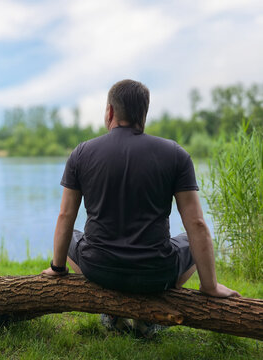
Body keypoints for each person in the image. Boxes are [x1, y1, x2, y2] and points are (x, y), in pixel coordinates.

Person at [41, 79, 240, 337]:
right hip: (156, 274)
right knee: (190, 243)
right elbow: (197, 224)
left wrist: (57, 269)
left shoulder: (81, 153)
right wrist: (210, 286)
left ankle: (113, 312)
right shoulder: (175, 154)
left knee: (72, 237)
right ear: (143, 114)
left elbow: (66, 215)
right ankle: (146, 318)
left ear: (110, 112)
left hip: (99, 269)